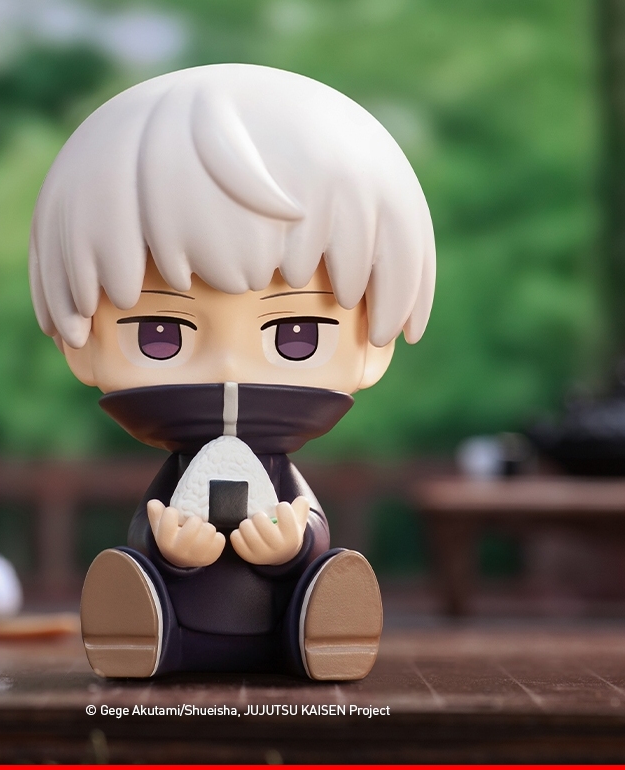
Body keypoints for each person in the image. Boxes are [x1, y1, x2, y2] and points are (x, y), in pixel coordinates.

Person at [29, 63, 435, 680]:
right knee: (142, 566)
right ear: (76, 343)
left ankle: (320, 625)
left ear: (374, 346)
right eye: (160, 333)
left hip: (280, 625)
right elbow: (150, 519)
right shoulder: (176, 475)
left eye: (297, 334)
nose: (227, 368)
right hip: (180, 626)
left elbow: (307, 519)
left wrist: (293, 548)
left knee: (319, 568)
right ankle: (144, 629)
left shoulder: (282, 476)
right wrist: (170, 550)